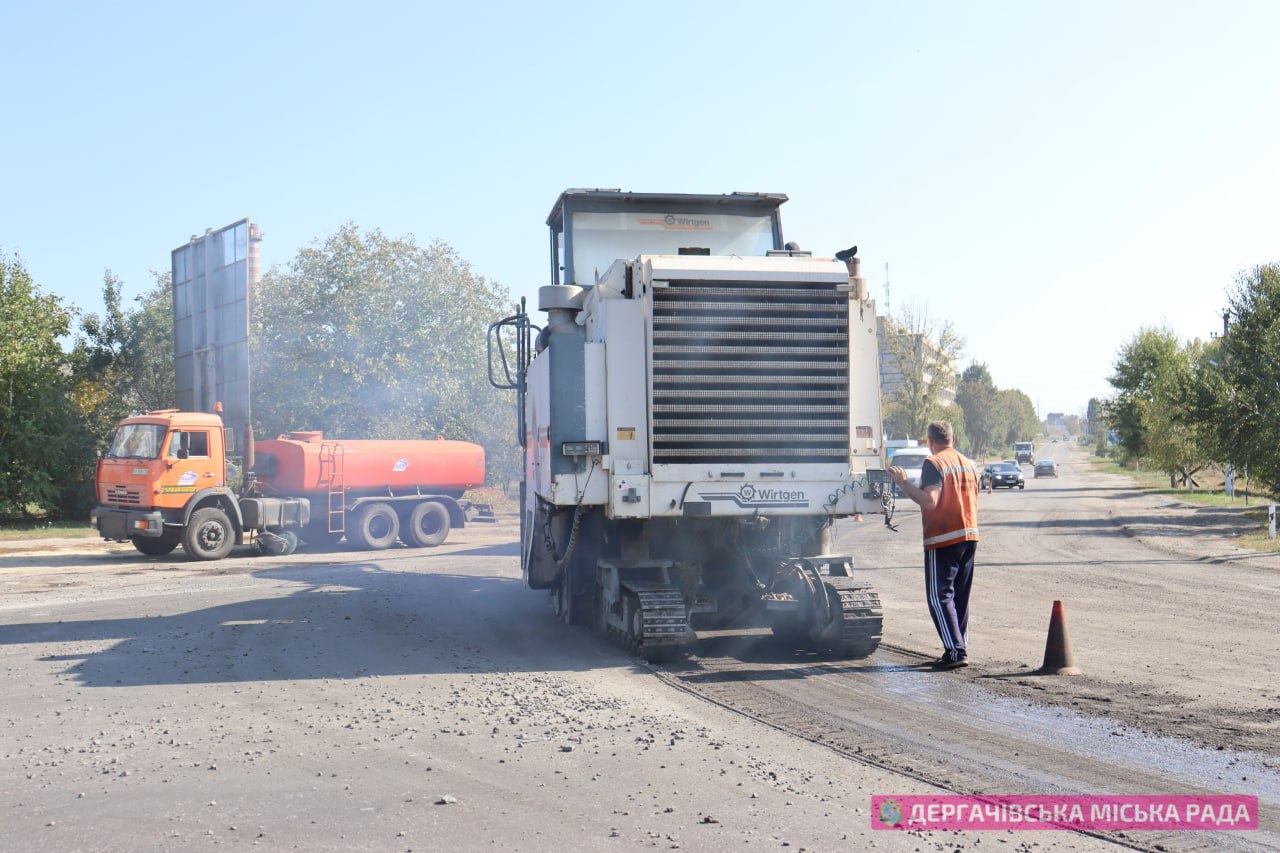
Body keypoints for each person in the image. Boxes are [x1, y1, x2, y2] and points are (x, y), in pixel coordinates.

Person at [887, 421, 980, 670]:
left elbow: (930, 501)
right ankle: (958, 647)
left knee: (938, 596)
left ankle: (955, 651)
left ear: (929, 441)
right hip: (970, 535)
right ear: (953, 437)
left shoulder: (934, 463)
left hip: (943, 537)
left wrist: (903, 483)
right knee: (959, 597)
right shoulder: (969, 464)